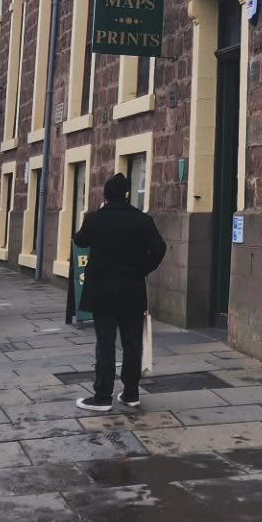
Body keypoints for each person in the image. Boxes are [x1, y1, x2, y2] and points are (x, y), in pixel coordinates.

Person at [74, 173, 166, 413]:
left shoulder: (95, 219)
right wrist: (142, 269)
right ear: (128, 194)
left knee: (105, 343)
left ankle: (103, 396)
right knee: (132, 343)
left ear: (105, 194)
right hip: (132, 290)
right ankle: (131, 393)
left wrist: (95, 213)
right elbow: (159, 248)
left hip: (102, 291)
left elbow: (79, 241)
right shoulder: (142, 220)